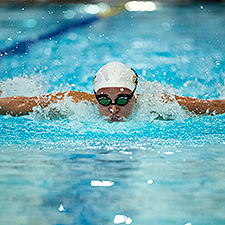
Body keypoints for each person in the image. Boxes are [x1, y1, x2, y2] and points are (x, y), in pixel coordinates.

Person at [0, 62, 224, 122]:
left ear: (135, 95)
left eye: (124, 98)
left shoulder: (159, 106)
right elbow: (23, 104)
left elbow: (212, 107)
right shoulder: (75, 103)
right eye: (104, 100)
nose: (113, 108)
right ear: (95, 96)